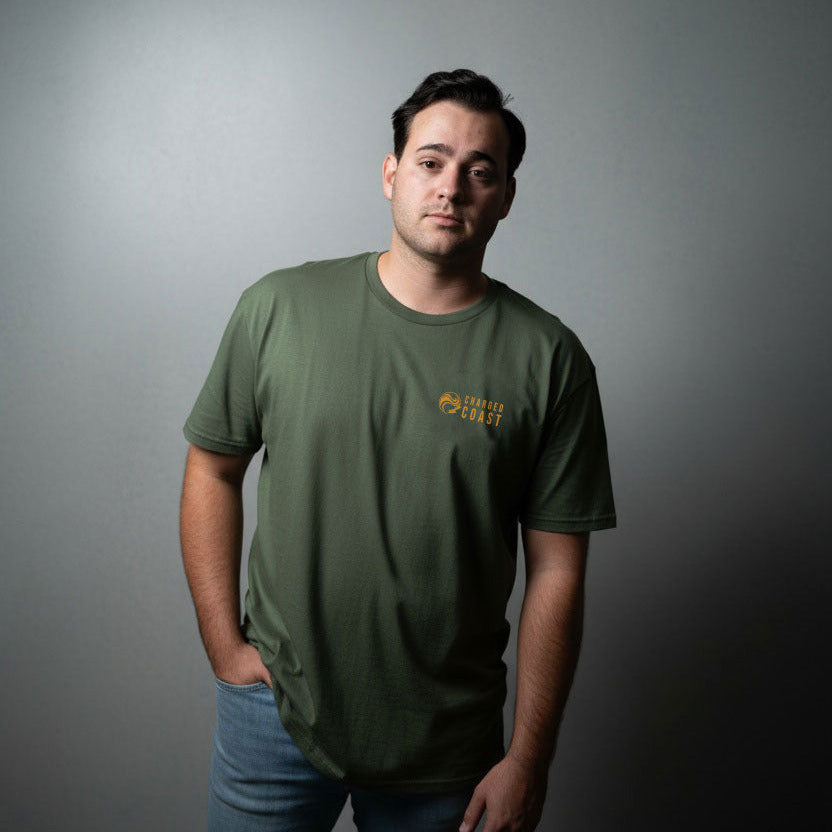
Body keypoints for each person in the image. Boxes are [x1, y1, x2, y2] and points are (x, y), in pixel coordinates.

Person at [180, 68, 616, 832]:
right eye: (431, 161)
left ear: (506, 197)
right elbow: (213, 468)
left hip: (450, 752)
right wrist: (223, 643)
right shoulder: (279, 308)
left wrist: (529, 757)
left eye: (481, 172)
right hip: (275, 718)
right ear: (391, 174)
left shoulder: (550, 359)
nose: (452, 187)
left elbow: (557, 570)